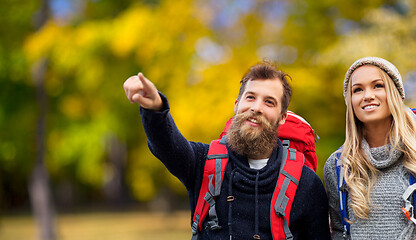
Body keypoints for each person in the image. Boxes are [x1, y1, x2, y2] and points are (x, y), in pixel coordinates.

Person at [124, 61, 331, 239]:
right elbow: (167, 145)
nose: (256, 107)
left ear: (282, 117)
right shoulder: (203, 163)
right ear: (237, 104)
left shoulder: (306, 183)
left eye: (269, 102)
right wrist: (155, 107)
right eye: (250, 97)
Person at [324, 57, 416, 239]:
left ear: (395, 93)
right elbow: (338, 232)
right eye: (357, 90)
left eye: (378, 86)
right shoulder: (338, 166)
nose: (367, 96)